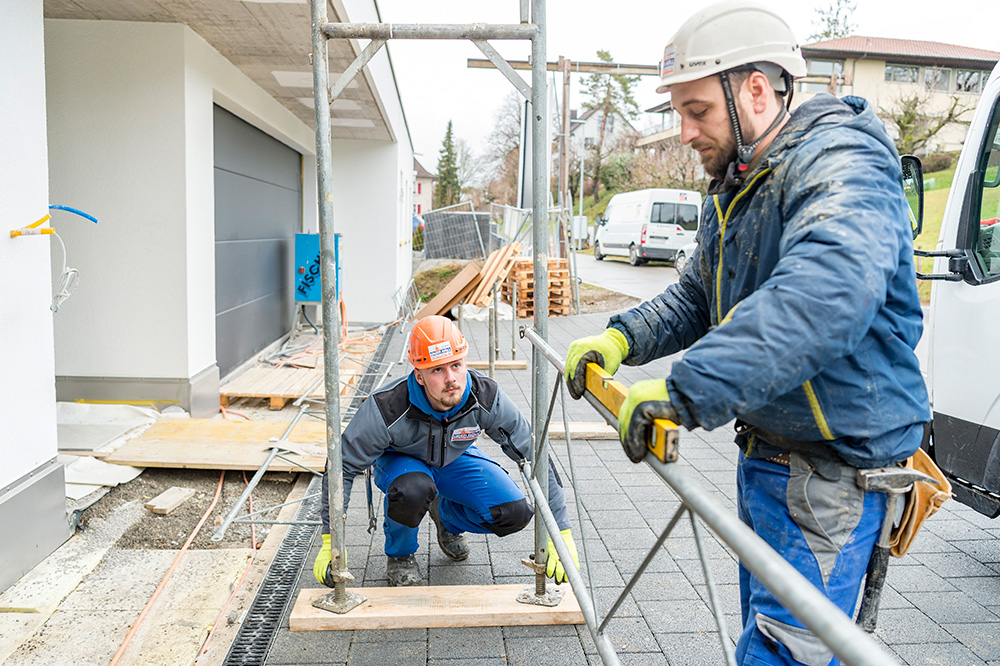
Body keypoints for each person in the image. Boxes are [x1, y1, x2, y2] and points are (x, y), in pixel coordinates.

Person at [564, 2, 930, 665]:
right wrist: (620, 339)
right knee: (765, 642)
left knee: (779, 655)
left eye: (697, 110)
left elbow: (827, 293)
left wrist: (684, 388)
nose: (683, 131)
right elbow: (700, 295)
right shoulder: (736, 184)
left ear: (756, 90)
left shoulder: (838, 161)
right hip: (768, 454)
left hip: (836, 473)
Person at [314, 315, 577, 587]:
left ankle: (447, 519)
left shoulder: (484, 398)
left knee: (515, 512)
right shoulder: (386, 408)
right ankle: (401, 554)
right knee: (413, 489)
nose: (451, 378)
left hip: (454, 458)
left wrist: (561, 532)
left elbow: (534, 454)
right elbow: (342, 466)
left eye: (456, 365)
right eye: (437, 370)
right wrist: (331, 539)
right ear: (419, 375)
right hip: (400, 462)